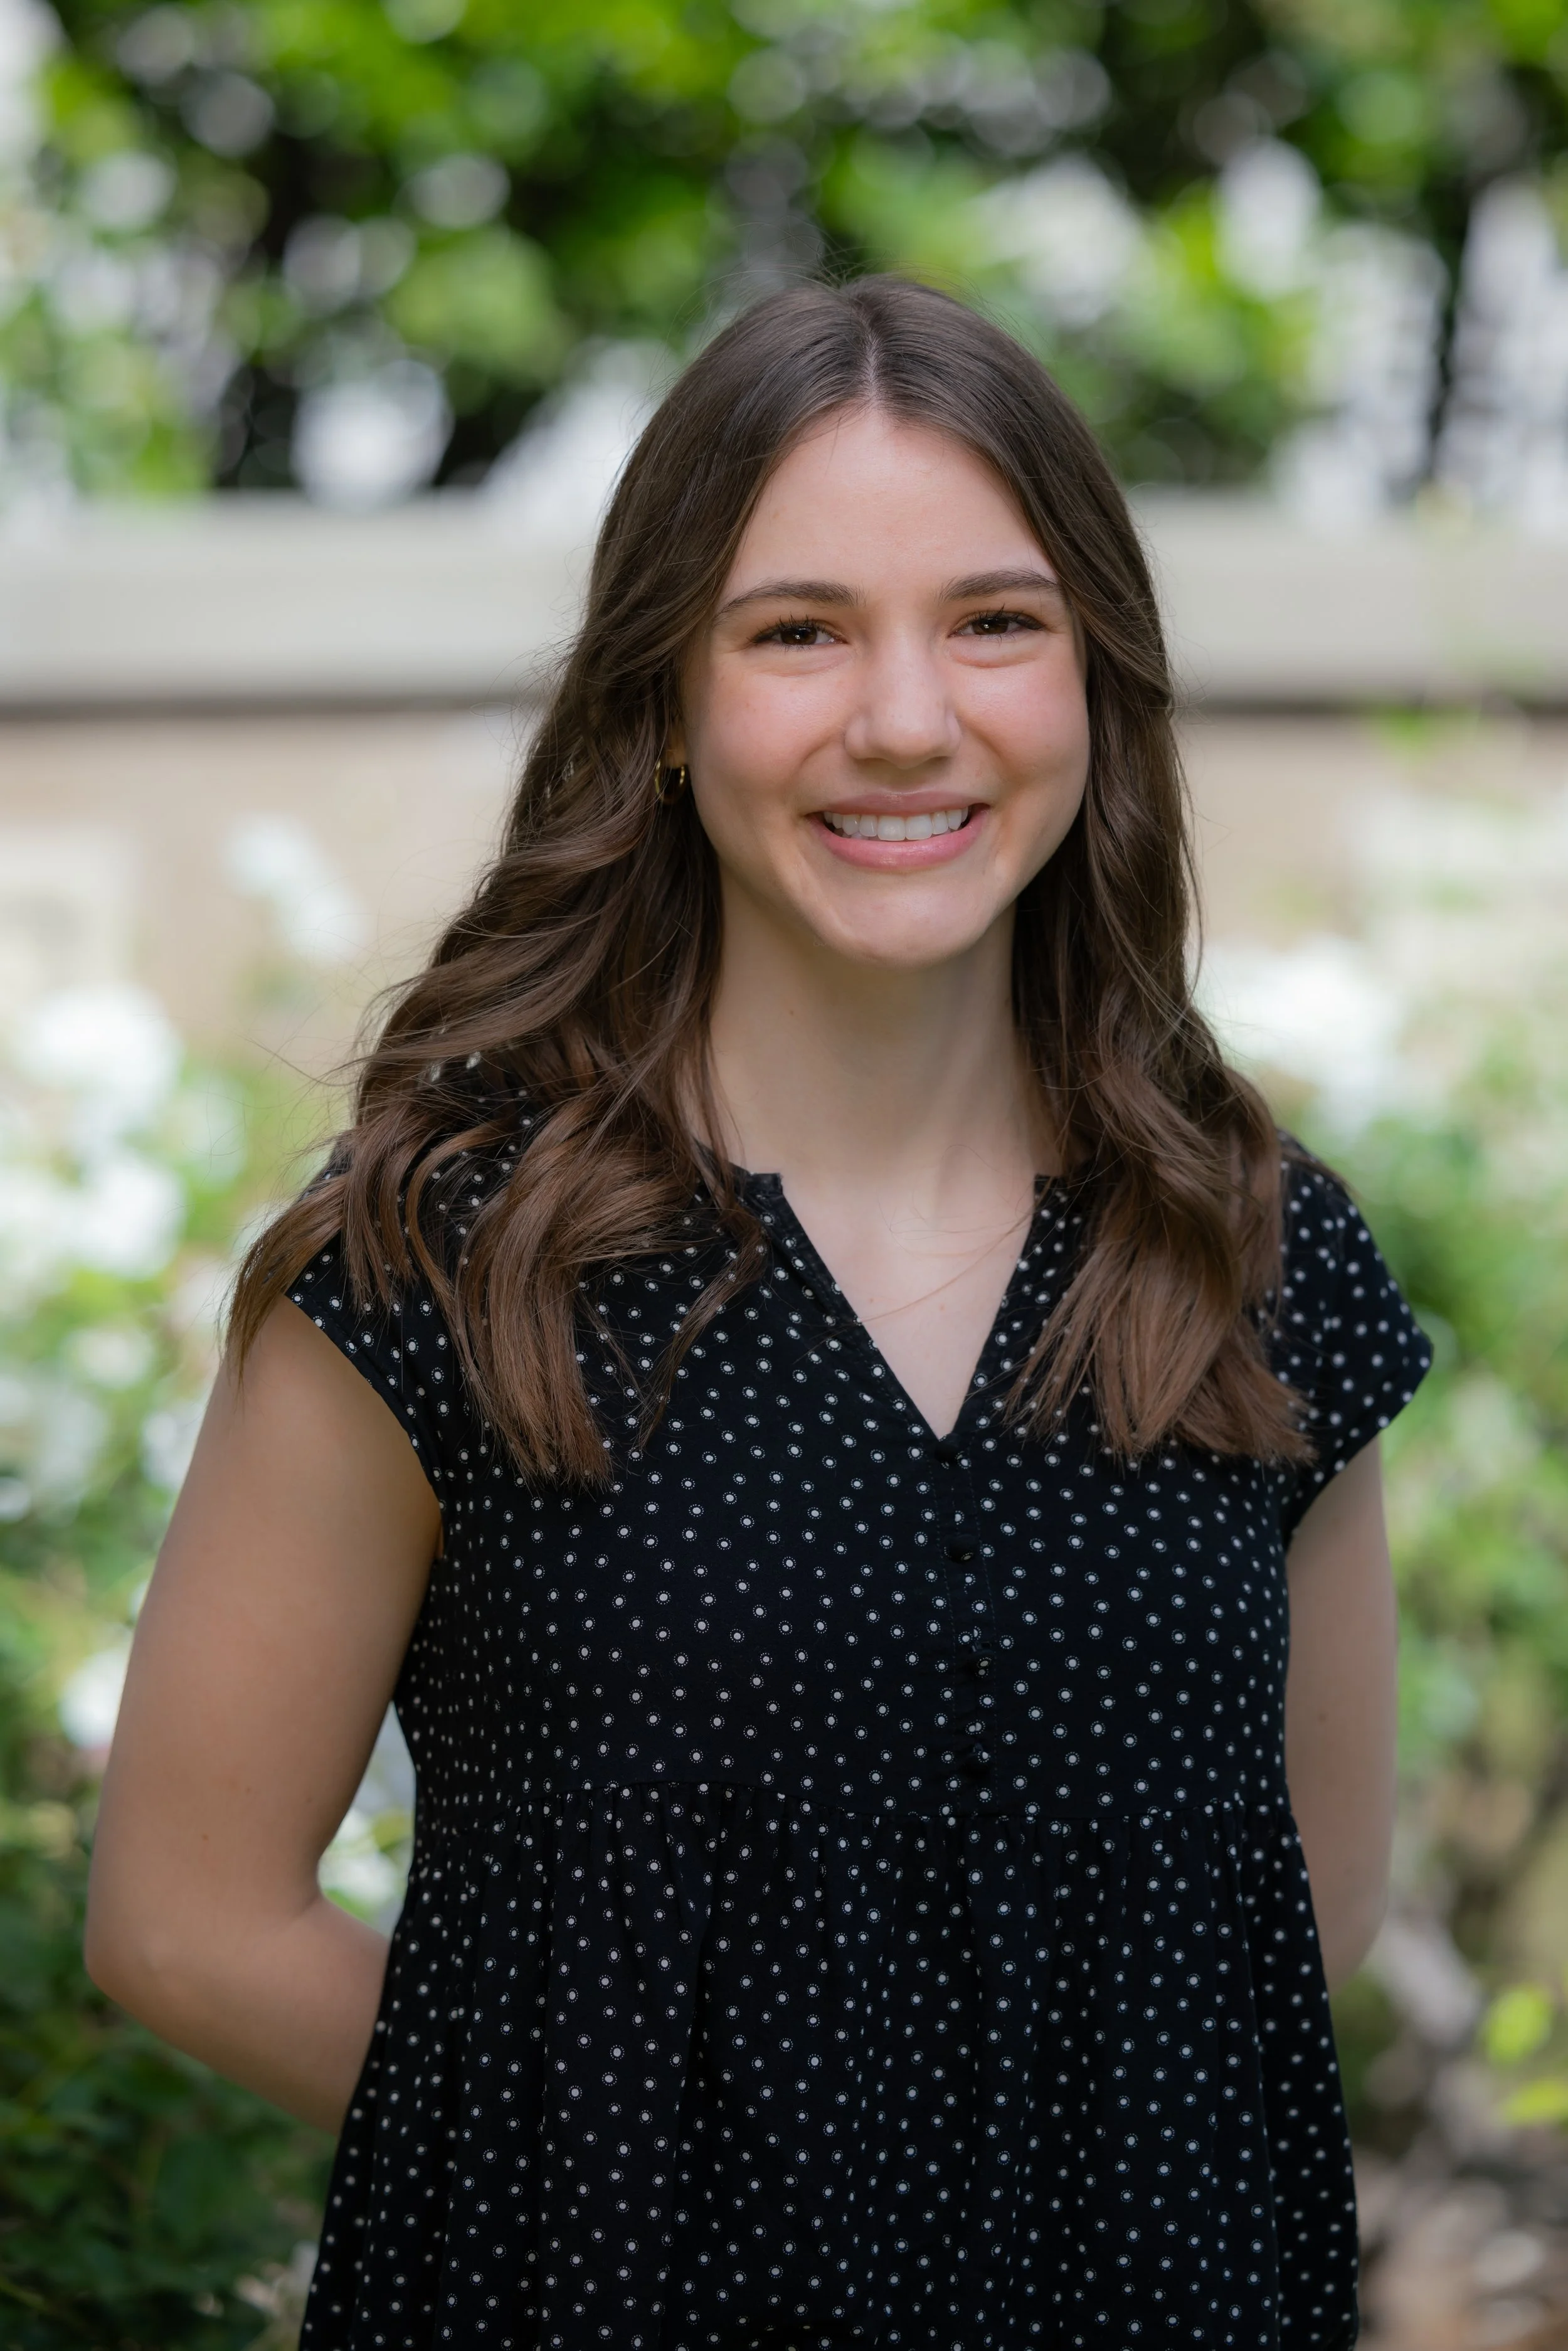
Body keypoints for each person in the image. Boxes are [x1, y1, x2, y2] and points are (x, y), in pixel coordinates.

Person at [86, 276, 1430, 2350]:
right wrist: (651, 2196)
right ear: (664, 695)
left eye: (993, 620)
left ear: (1094, 678)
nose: (903, 718)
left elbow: (1297, 1896)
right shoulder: (446, 1269)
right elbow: (188, 1919)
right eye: (795, 630)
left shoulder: (1244, 1254)